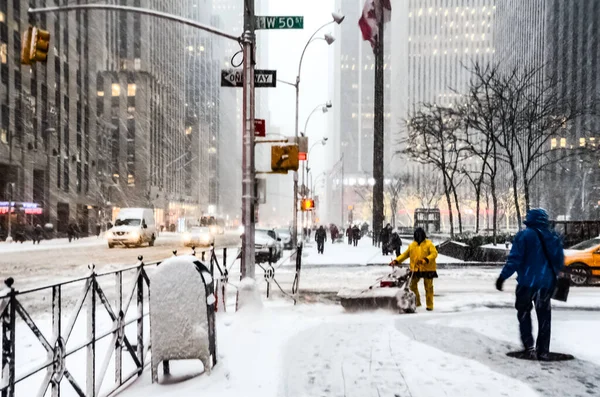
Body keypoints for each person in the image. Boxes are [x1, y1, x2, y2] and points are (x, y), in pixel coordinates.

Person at [496, 208, 564, 361]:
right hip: (546, 285)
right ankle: (543, 350)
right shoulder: (554, 236)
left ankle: (529, 347)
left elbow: (515, 259)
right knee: (544, 316)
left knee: (524, 313)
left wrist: (502, 277)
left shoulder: (524, 236)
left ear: (530, 220)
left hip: (527, 283)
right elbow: (559, 260)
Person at [392, 227, 438, 311]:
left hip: (428, 269)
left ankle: (429, 305)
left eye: (420, 235)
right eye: (417, 235)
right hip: (416, 269)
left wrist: (426, 260)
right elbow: (405, 255)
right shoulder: (412, 245)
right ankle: (417, 302)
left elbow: (434, 254)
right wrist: (396, 261)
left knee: (428, 288)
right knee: (412, 286)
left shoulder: (429, 244)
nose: (419, 237)